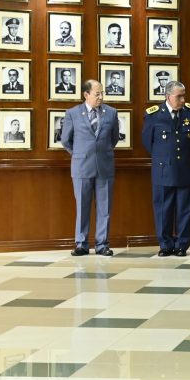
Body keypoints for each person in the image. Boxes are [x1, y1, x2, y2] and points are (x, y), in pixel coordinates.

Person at [61, 80, 121, 256]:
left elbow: (114, 138)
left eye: (102, 93)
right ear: (86, 95)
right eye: (97, 94)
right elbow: (66, 140)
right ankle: (81, 244)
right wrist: (80, 154)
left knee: (105, 208)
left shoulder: (111, 112)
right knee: (82, 207)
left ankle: (102, 244)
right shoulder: (72, 113)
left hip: (105, 166)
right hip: (81, 167)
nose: (101, 97)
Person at [143, 81, 190, 257]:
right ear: (168, 96)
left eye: (184, 96)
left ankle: (182, 245)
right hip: (163, 170)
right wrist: (164, 158)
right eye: (179, 96)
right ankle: (166, 244)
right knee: (163, 209)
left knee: (185, 209)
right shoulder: (154, 115)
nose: (183, 100)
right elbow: (148, 142)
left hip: (186, 168)